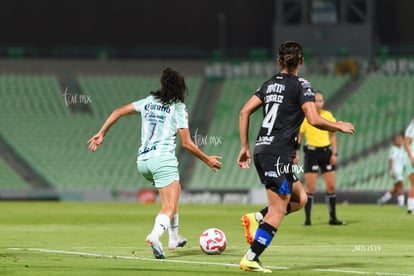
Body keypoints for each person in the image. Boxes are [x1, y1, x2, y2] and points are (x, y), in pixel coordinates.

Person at [237, 41, 355, 273]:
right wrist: (337, 125)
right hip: (277, 154)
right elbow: (313, 119)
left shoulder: (269, 84)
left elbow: (244, 111)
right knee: (278, 210)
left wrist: (244, 147)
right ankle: (251, 257)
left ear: (279, 61)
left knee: (300, 199)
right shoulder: (301, 84)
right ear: (301, 61)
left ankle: (257, 218)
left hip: (265, 150)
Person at [87, 68, 222, 259]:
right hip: (163, 160)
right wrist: (207, 159)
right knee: (169, 206)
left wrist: (102, 133)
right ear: (181, 88)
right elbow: (186, 143)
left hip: (143, 161)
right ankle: (155, 236)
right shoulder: (178, 108)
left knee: (175, 194)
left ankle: (173, 238)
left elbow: (118, 111)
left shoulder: (148, 102)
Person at [296, 91, 345, 225]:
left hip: (326, 153)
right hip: (311, 154)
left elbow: (333, 136)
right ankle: (307, 219)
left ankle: (333, 218)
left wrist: (334, 153)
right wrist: (296, 152)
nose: (319, 103)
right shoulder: (306, 117)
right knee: (310, 189)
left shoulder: (328, 116)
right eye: (316, 100)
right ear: (312, 101)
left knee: (331, 187)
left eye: (321, 100)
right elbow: (300, 136)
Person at [377, 133, 405, 207]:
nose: (399, 140)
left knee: (396, 188)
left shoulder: (402, 149)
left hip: (400, 170)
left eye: (400, 139)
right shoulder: (394, 149)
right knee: (401, 185)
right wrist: (392, 170)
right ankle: (401, 204)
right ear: (396, 140)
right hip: (396, 170)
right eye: (398, 139)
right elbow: (390, 160)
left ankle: (383, 200)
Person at [404, 119, 414, 214]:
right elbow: (406, 143)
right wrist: (411, 157)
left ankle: (411, 207)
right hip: (412, 158)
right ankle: (411, 208)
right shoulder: (412, 128)